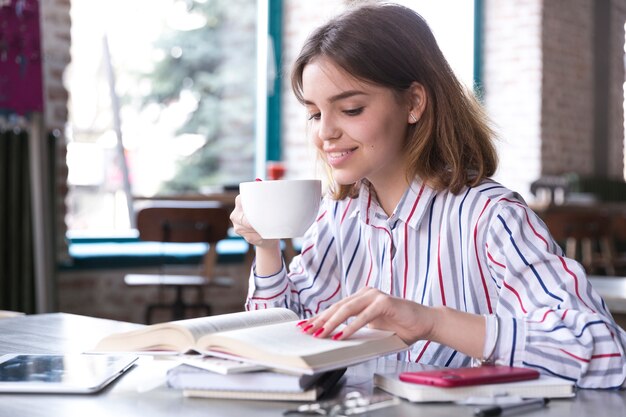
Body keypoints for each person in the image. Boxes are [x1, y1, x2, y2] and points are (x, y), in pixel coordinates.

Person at [230, 3, 626, 388]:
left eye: (350, 109)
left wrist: (433, 322)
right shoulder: (338, 217)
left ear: (414, 103)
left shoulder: (490, 217)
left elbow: (607, 353)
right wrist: (266, 246)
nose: (324, 133)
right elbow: (282, 342)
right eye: (315, 113)